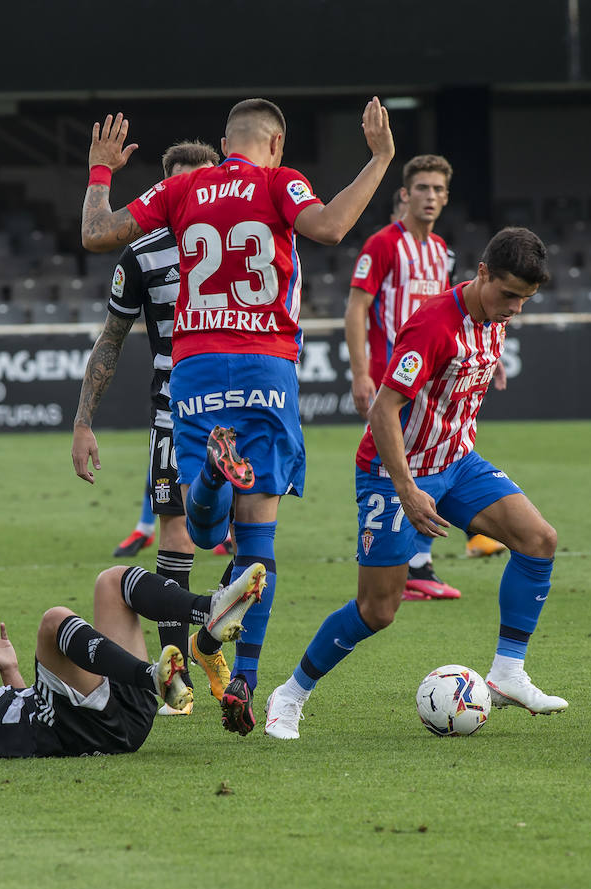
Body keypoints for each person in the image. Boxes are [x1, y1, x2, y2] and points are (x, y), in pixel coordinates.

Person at [80, 98, 395, 735]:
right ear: (275, 145)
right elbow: (331, 227)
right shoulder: (281, 183)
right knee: (258, 543)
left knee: (198, 534)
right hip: (264, 368)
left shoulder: (182, 186)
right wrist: (381, 156)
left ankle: (213, 480)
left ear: (226, 141)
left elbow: (95, 234)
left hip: (193, 366)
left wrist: (99, 171)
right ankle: (245, 677)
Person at [263, 228, 567, 740]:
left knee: (539, 540)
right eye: (509, 294)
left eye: (525, 300)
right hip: (393, 471)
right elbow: (384, 410)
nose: (515, 308)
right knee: (378, 609)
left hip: (457, 462)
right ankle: (290, 694)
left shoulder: (496, 316)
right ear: (483, 274)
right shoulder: (431, 324)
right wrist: (404, 486)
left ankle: (508, 673)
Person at [72, 139, 222, 715]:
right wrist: (84, 422)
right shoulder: (141, 254)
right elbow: (109, 342)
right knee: (178, 537)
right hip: (174, 412)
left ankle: (220, 649)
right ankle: (174, 673)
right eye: (180, 185)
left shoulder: (247, 244)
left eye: (202, 181)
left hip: (240, 407)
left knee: (247, 532)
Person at [0, 562, 268, 759]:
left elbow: (16, 716)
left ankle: (208, 609)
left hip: (111, 718)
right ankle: (152, 679)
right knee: (54, 621)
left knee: (111, 581)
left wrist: (10, 672)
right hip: (80, 732)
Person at [345, 154, 506, 599]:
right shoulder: (382, 245)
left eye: (438, 190)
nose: (430, 197)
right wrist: (360, 373)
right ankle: (408, 566)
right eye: (422, 188)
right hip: (389, 380)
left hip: (434, 381)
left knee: (437, 458)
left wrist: (489, 355)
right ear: (404, 194)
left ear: (447, 197)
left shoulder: (440, 251)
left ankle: (419, 564)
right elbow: (356, 307)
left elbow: (457, 310)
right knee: (394, 468)